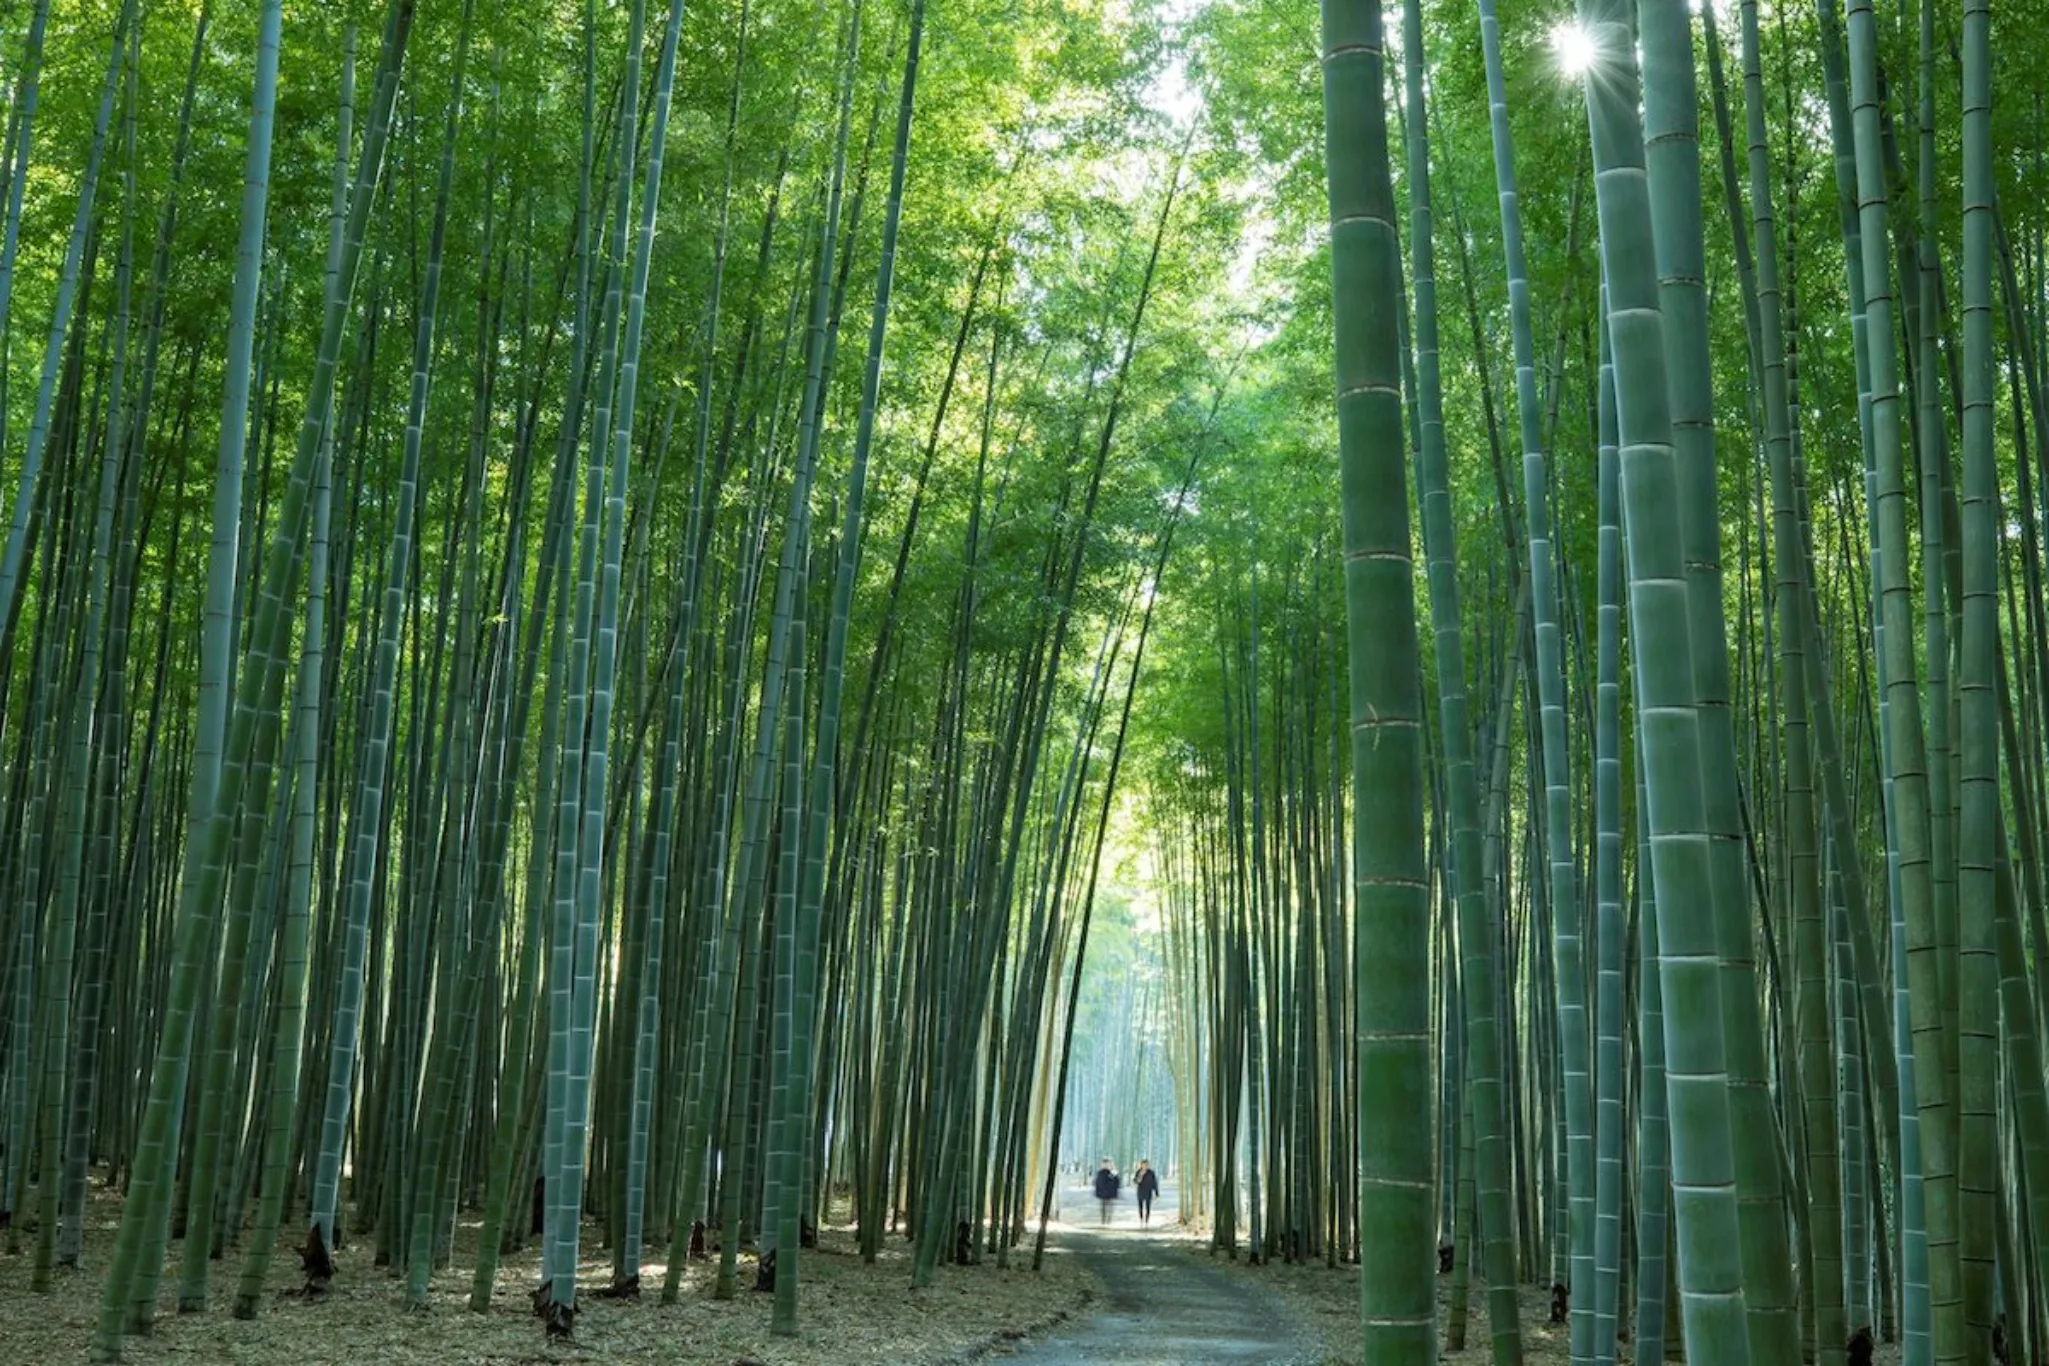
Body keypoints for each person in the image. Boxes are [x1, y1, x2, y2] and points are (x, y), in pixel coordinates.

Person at [1093, 1157, 1120, 1225]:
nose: (1106, 1165)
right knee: (1103, 1208)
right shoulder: (1100, 1173)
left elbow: (1117, 1183)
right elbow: (1097, 1183)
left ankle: (1108, 1221)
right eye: (1104, 1163)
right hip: (1102, 1194)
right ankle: (1103, 1221)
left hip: (1110, 1194)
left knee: (1109, 1208)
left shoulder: (1113, 1173)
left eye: (1107, 1163)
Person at [1133, 1159, 1159, 1224]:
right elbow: (1135, 1181)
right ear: (1141, 1165)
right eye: (1143, 1165)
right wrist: (1140, 1176)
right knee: (1140, 1206)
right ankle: (1141, 1219)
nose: (1145, 1166)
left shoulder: (1151, 1173)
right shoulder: (1138, 1172)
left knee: (1148, 1206)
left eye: (1146, 1165)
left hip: (1148, 1191)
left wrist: (1156, 1193)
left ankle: (1147, 1220)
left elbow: (1154, 1183)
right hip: (1140, 1191)